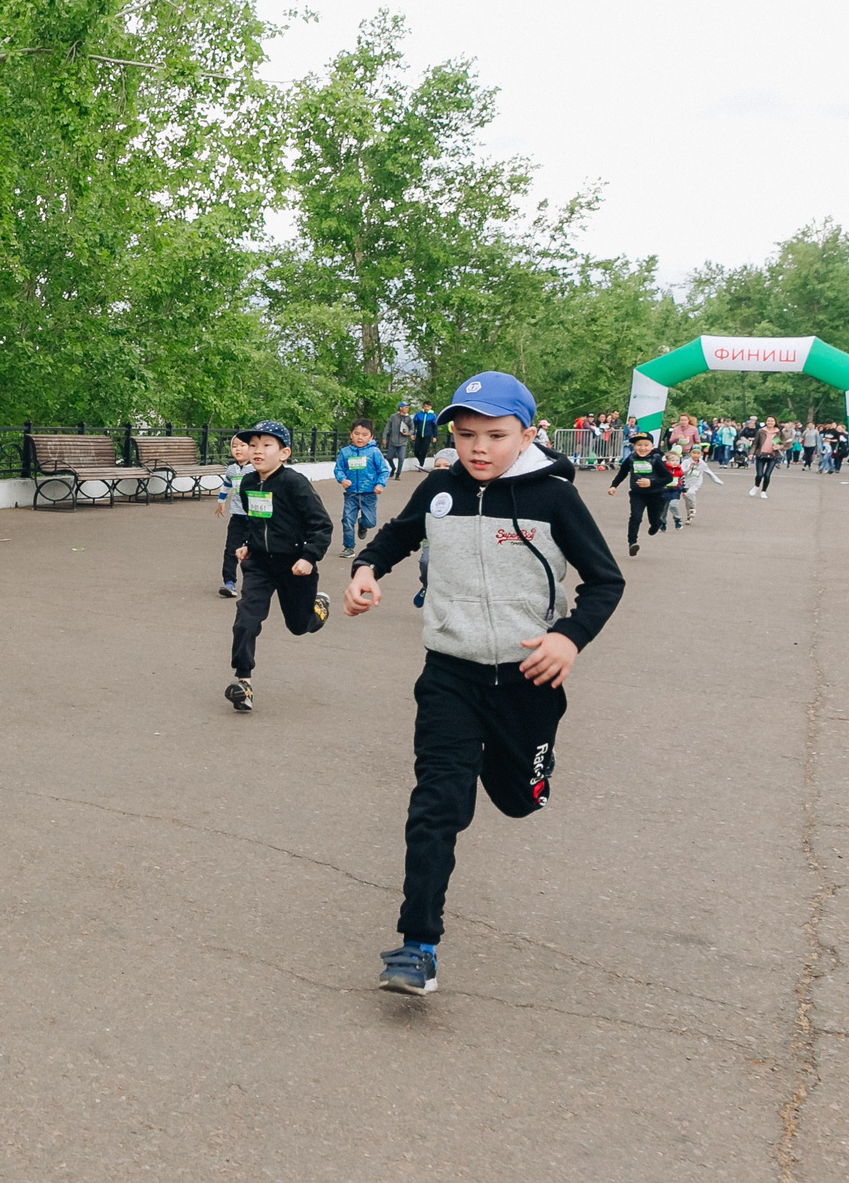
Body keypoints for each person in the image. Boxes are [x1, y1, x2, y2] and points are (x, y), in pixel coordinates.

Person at [339, 370, 623, 997]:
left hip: (527, 676)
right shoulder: (440, 489)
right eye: (467, 435)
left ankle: (521, 776)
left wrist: (568, 637)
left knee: (520, 798)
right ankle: (418, 947)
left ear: (526, 434)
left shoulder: (554, 498)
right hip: (450, 673)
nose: (479, 448)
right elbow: (397, 535)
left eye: (496, 435)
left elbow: (606, 581)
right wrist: (365, 570)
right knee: (437, 804)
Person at [223, 421, 330, 714]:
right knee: (246, 621)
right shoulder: (247, 483)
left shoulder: (294, 483)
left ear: (284, 453)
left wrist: (309, 557)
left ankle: (318, 609)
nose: (257, 451)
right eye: (253, 445)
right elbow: (255, 520)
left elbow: (321, 525)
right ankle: (243, 682)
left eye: (266, 445)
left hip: (294, 564)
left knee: (298, 626)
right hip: (259, 564)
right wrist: (247, 543)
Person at [607, 429, 671, 557]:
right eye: (639, 445)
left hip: (656, 494)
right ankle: (632, 543)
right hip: (638, 494)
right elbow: (622, 473)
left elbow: (668, 478)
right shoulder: (631, 458)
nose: (642, 448)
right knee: (635, 517)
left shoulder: (656, 459)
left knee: (654, 519)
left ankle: (656, 524)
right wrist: (614, 486)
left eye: (646, 445)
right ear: (634, 446)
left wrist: (651, 483)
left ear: (652, 446)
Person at [332, 419, 390, 552]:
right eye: (357, 434)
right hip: (351, 494)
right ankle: (348, 547)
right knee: (347, 520)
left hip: (369, 494)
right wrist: (342, 479)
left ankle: (362, 524)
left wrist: (380, 484)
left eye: (364, 435)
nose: (360, 437)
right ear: (351, 435)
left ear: (371, 437)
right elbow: (339, 469)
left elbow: (384, 470)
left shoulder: (374, 452)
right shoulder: (345, 452)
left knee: (370, 522)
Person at [214, 433, 251, 598]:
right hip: (237, 516)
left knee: (255, 552)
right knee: (231, 549)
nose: (238, 449)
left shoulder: (257, 468)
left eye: (242, 445)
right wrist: (221, 501)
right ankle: (229, 582)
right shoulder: (231, 469)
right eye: (234, 446)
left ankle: (258, 583)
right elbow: (226, 485)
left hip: (256, 518)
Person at [384, 404, 415, 479]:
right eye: (406, 407)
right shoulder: (393, 417)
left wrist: (409, 434)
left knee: (401, 458)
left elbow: (412, 429)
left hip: (403, 442)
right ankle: (393, 468)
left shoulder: (409, 418)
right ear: (401, 408)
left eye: (408, 408)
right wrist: (384, 438)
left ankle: (398, 474)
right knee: (389, 457)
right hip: (393, 441)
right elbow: (387, 428)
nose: (407, 409)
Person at [750, 419, 780, 496]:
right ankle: (756, 486)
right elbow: (755, 443)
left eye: (772, 421)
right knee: (759, 474)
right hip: (761, 455)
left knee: (767, 475)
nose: (770, 422)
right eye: (768, 421)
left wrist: (779, 446)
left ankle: (764, 491)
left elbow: (780, 443)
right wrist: (751, 453)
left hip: (772, 456)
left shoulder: (778, 432)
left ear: (775, 423)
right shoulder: (761, 431)